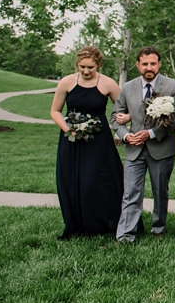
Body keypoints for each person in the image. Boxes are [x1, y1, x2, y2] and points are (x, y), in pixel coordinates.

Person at [112, 46, 175, 242]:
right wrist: (126, 136)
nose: (149, 67)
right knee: (131, 192)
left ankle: (158, 228)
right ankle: (126, 234)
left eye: (153, 63)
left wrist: (152, 133)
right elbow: (114, 117)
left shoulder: (172, 86)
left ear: (159, 64)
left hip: (161, 148)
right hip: (134, 148)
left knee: (160, 190)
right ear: (138, 65)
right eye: (145, 64)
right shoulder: (128, 87)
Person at [50, 46, 123, 239]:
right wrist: (68, 129)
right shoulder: (66, 82)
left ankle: (101, 222)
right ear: (77, 64)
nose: (86, 71)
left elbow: (123, 109)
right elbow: (55, 111)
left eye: (90, 67)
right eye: (82, 66)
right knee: (72, 180)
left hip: (99, 141)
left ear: (98, 64)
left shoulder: (108, 84)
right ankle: (77, 224)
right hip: (71, 139)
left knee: (93, 181)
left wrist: (122, 121)